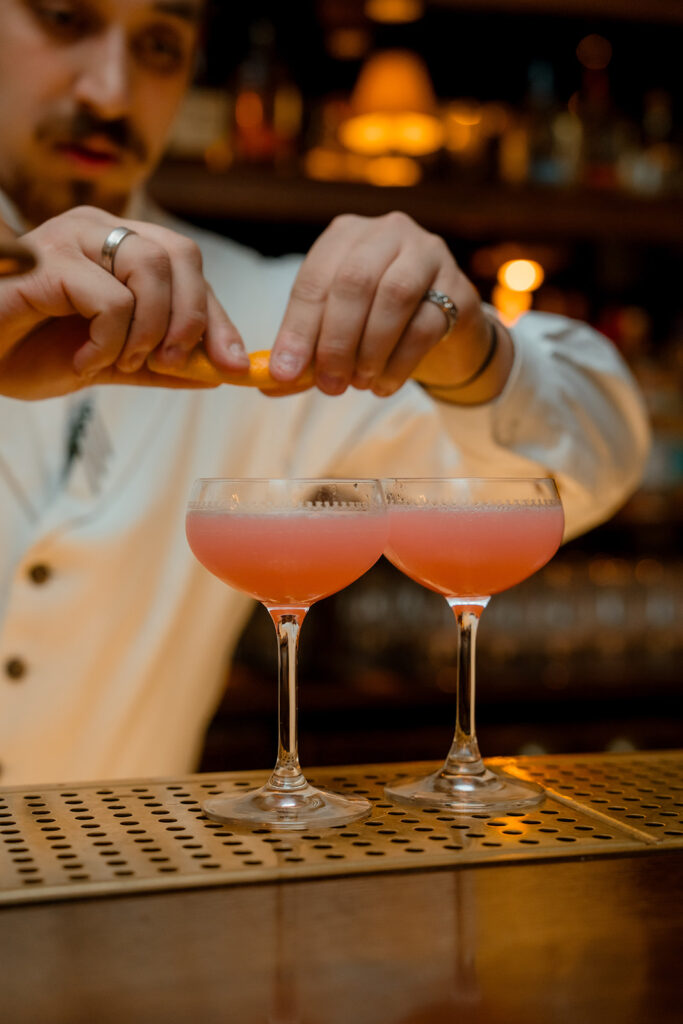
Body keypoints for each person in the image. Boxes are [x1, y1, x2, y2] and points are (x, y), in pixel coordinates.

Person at [0, 0, 650, 786]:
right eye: (65, 19)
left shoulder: (273, 317)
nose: (111, 92)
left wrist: (471, 351)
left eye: (161, 46)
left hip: (126, 861)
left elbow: (576, 475)